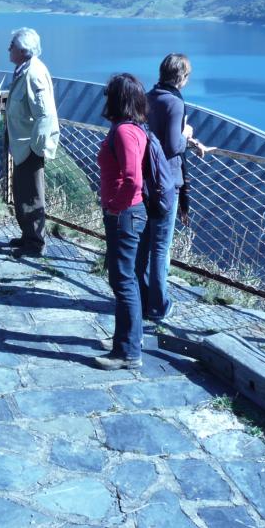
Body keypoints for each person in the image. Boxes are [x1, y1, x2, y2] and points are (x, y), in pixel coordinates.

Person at [136, 53, 209, 324]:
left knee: (144, 243)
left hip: (146, 179)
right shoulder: (175, 103)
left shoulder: (148, 96)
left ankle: (141, 299)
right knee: (160, 246)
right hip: (167, 182)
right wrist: (187, 135)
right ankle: (158, 306)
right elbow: (171, 146)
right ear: (182, 77)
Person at [92, 73, 150, 370]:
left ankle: (127, 352)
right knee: (127, 279)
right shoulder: (134, 128)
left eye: (108, 93)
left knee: (123, 280)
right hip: (129, 214)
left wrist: (114, 207)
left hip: (124, 214)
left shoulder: (125, 132)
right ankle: (128, 338)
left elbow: (132, 179)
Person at [6, 28, 60, 258]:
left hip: (29, 145)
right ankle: (28, 235)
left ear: (22, 50)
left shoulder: (33, 73)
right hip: (23, 144)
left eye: (12, 45)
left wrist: (35, 147)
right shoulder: (24, 69)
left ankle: (35, 243)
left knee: (31, 194)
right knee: (22, 192)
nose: (8, 48)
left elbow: (44, 114)